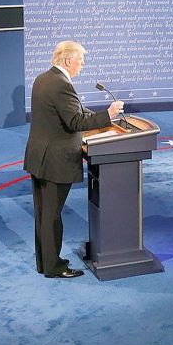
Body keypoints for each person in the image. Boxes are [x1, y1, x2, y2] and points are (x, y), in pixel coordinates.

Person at [24, 41, 123, 279]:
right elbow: (75, 122)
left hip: (40, 156)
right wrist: (107, 116)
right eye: (80, 59)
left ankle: (46, 263)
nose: (82, 64)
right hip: (56, 160)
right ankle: (54, 267)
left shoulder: (43, 78)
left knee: (44, 214)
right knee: (52, 215)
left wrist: (100, 116)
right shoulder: (61, 84)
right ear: (68, 60)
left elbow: (71, 110)